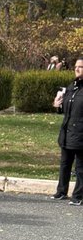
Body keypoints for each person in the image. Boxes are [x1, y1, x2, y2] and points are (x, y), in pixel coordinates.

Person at [53, 57, 83, 204]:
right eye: (76, 66)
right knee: (65, 163)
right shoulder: (72, 86)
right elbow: (67, 108)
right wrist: (57, 105)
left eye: (81, 67)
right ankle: (61, 191)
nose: (77, 69)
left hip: (80, 134)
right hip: (67, 132)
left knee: (80, 167)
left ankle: (78, 196)